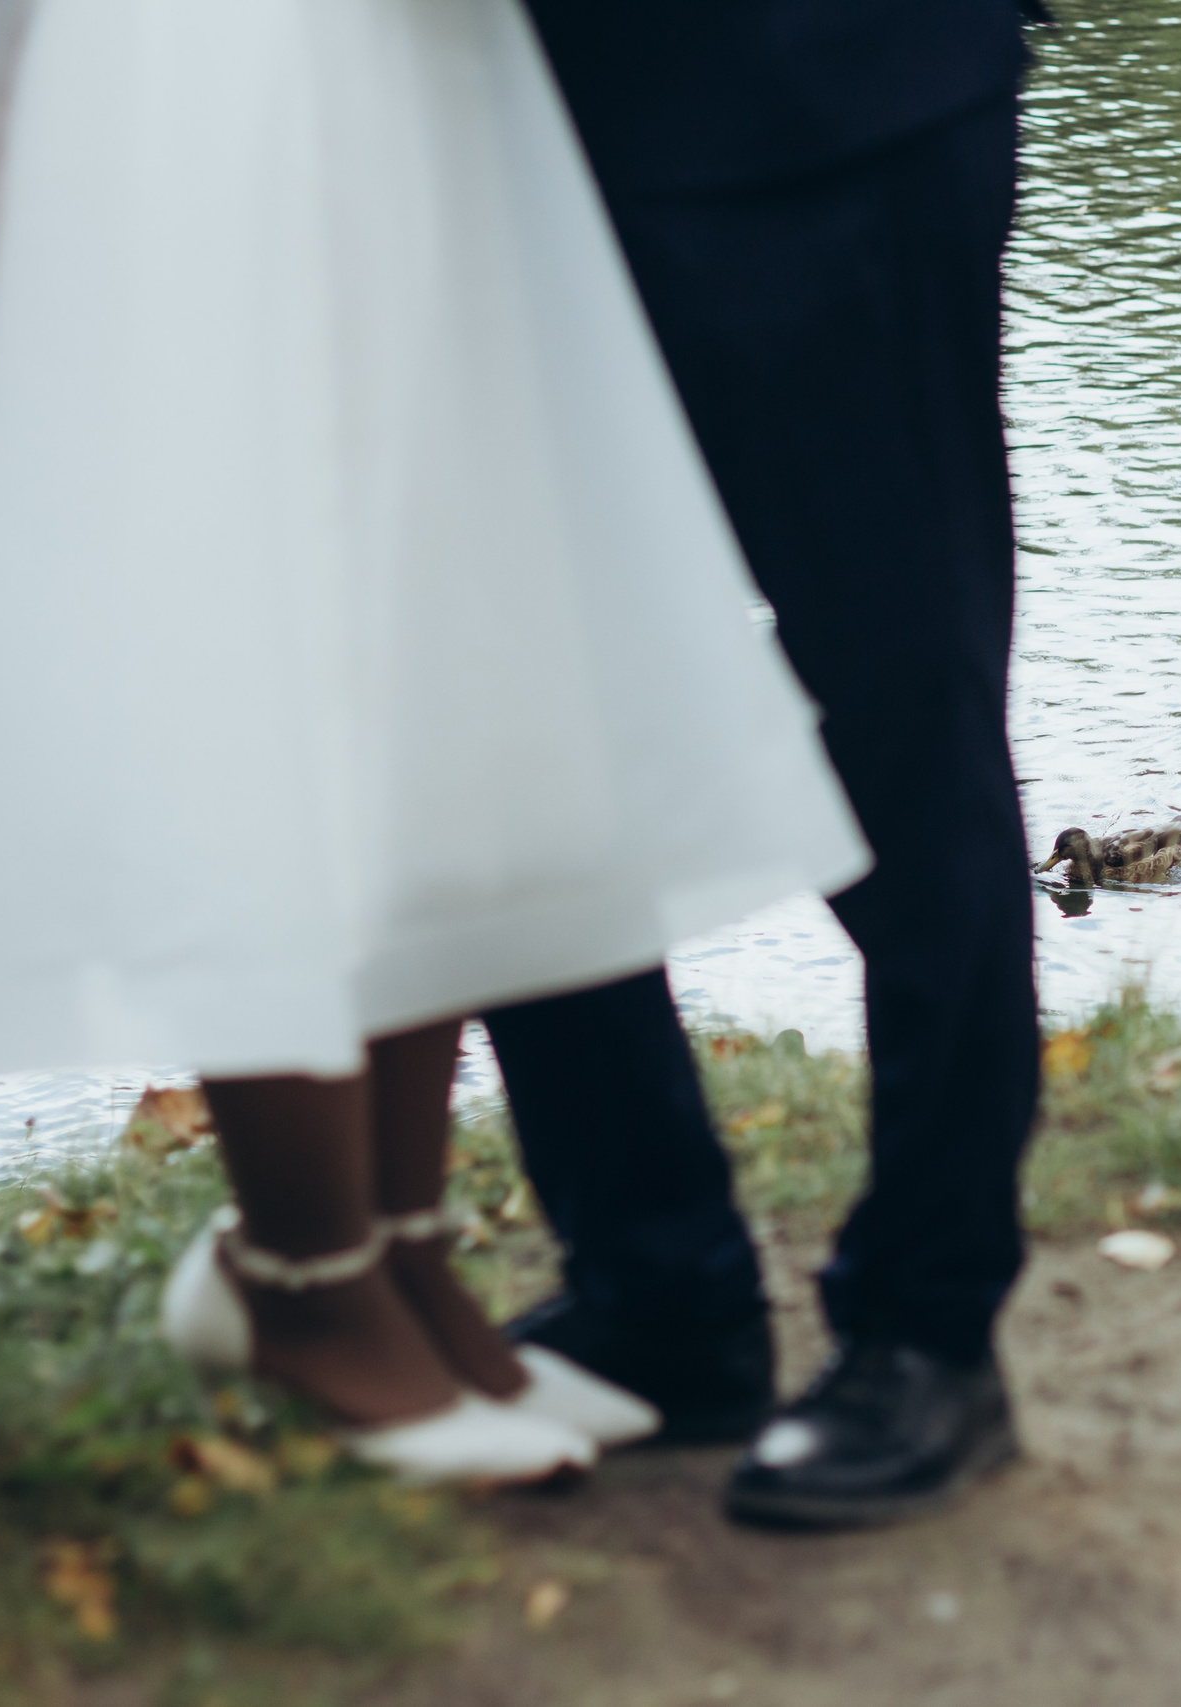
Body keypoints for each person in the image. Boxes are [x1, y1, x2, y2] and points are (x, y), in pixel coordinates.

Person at [0, 0, 867, 1484]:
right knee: (229, 600)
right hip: (165, 69)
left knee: (421, 610)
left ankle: (403, 1253)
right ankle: (301, 1277)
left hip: (406, 61)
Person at [489, 0, 1045, 1528]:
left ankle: (927, 1322)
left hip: (823, 92)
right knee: (511, 727)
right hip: (481, 134)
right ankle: (657, 1290)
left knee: (897, 710)